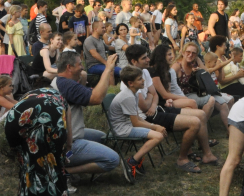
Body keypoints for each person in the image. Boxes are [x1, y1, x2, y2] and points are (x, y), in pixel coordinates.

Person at [5, 85, 82, 196]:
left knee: (28, 168)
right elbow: (68, 133)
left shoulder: (29, 96)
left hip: (13, 120)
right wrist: (66, 151)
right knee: (54, 175)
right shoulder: (61, 100)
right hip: (50, 118)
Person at [125, 45, 217, 173]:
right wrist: (151, 100)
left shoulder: (145, 72)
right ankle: (182, 159)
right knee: (194, 122)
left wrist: (151, 101)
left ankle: (207, 154)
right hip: (147, 117)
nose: (148, 59)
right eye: (144, 58)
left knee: (201, 114)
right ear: (134, 61)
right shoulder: (129, 79)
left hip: (156, 109)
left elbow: (154, 94)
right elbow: (144, 106)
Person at [50, 51, 129, 183]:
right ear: (69, 67)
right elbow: (96, 98)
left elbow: (90, 93)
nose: (82, 67)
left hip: (67, 134)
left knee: (102, 137)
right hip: (70, 142)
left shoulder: (61, 82)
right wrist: (108, 69)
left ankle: (70, 165)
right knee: (112, 159)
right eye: (79, 64)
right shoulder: (67, 85)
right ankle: (65, 172)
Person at [109, 66, 167, 180]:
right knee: (158, 136)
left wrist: (154, 127)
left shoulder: (133, 92)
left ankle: (136, 159)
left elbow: (137, 117)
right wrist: (155, 127)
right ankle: (132, 161)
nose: (143, 80)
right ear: (130, 83)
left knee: (156, 133)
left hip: (128, 125)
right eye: (140, 79)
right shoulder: (128, 96)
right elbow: (135, 123)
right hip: (122, 130)